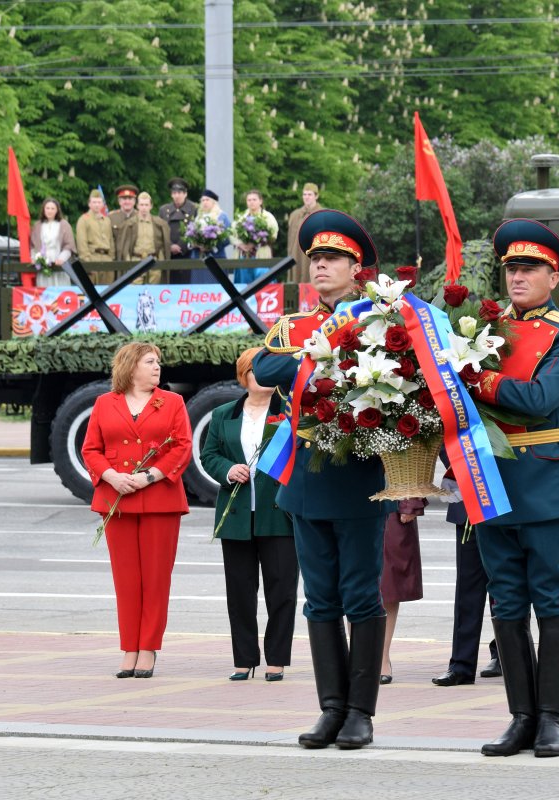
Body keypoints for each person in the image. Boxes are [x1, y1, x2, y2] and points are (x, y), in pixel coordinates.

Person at [252, 209, 388, 750]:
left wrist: (311, 361)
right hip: (307, 475)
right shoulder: (295, 324)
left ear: (357, 269)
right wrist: (327, 357)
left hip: (357, 472)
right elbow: (263, 370)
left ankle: (361, 711)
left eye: (332, 259)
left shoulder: (380, 320)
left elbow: (405, 373)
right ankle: (330, 707)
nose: (321, 267)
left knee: (361, 594)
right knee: (320, 599)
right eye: (316, 260)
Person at [463, 218, 559, 758]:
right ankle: (521, 715)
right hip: (490, 477)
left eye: (530, 268)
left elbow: (540, 399)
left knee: (550, 598)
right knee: (507, 600)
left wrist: (479, 380)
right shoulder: (481, 329)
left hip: (543, 478)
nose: (518, 276)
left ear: (553, 276)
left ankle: (552, 719)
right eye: (512, 268)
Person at [80, 342, 192, 679]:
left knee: (155, 579)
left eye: (158, 362)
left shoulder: (172, 402)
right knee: (126, 579)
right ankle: (129, 646)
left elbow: (182, 446)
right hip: (117, 500)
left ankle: (148, 648)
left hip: (159, 500)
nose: (157, 367)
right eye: (149, 361)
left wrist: (149, 476)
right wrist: (111, 476)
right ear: (130, 367)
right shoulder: (104, 403)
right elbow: (91, 449)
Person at [199, 347, 298, 682]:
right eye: (259, 371)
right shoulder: (223, 414)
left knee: (281, 590)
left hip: (278, 515)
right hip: (237, 515)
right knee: (240, 591)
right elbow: (209, 455)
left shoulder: (288, 412)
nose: (266, 378)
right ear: (245, 376)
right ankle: (244, 659)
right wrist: (228, 470)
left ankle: (277, 660)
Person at [431, 496, 500, 687]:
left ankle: (508, 657)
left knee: (506, 589)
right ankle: (461, 665)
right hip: (469, 503)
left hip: (505, 504)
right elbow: (450, 465)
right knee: (467, 589)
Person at [379, 497, 426, 684]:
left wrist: (410, 502)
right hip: (352, 500)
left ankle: (382, 656)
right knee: (354, 584)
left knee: (390, 585)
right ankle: (359, 655)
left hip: (392, 497)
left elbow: (413, 466)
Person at [119, 193, 172, 284]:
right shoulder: (130, 224)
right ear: (137, 206)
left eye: (146, 205)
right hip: (136, 261)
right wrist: (128, 263)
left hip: (154, 261)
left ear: (151, 206)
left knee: (153, 293)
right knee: (136, 293)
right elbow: (125, 247)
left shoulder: (159, 224)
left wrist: (161, 263)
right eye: (142, 205)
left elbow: (163, 245)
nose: (144, 208)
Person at [231, 189, 280, 285]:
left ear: (260, 201)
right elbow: (232, 234)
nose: (251, 202)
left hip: (261, 254)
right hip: (245, 255)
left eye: (254, 199)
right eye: (249, 200)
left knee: (262, 280)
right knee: (243, 283)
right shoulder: (241, 217)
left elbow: (273, 234)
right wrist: (240, 244)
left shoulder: (267, 216)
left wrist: (256, 242)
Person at [28, 197, 76, 287]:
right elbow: (33, 246)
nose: (50, 211)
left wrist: (62, 258)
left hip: (59, 262)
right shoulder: (37, 225)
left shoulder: (64, 225)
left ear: (57, 210)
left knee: (60, 287)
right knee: (44, 289)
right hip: (43, 263)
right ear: (44, 209)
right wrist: (34, 258)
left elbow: (69, 246)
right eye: (48, 208)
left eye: (53, 208)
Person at [159, 177, 198, 283]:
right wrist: (170, 246)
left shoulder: (193, 208)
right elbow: (160, 232)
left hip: (187, 255)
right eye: (174, 193)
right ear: (171, 194)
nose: (177, 195)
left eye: (180, 192)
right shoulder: (163, 210)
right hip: (168, 255)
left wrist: (180, 246)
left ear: (185, 194)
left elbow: (195, 230)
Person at [189, 190, 231, 283]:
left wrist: (211, 246)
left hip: (216, 257)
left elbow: (228, 237)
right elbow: (190, 235)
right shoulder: (198, 217)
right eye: (202, 200)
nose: (204, 202)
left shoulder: (222, 216)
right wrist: (194, 244)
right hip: (198, 257)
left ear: (213, 202)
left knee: (215, 285)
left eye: (207, 200)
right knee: (198, 287)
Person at [75, 190, 115, 284]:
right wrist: (88, 263)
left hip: (106, 259)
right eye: (94, 202)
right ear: (89, 204)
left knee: (108, 290)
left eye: (99, 202)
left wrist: (111, 258)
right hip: (92, 257)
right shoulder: (84, 220)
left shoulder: (107, 220)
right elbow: (82, 244)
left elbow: (111, 241)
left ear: (102, 204)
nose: (97, 205)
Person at [287, 183, 321, 284]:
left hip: (314, 254)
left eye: (309, 194)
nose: (306, 197)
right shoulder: (294, 214)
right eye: (304, 194)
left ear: (316, 196)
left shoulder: (322, 213)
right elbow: (290, 239)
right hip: (296, 254)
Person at [108, 184, 139, 259]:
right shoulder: (111, 217)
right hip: (117, 257)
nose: (127, 202)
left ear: (134, 201)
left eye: (130, 199)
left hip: (136, 257)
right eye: (124, 199)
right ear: (119, 201)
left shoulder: (140, 217)